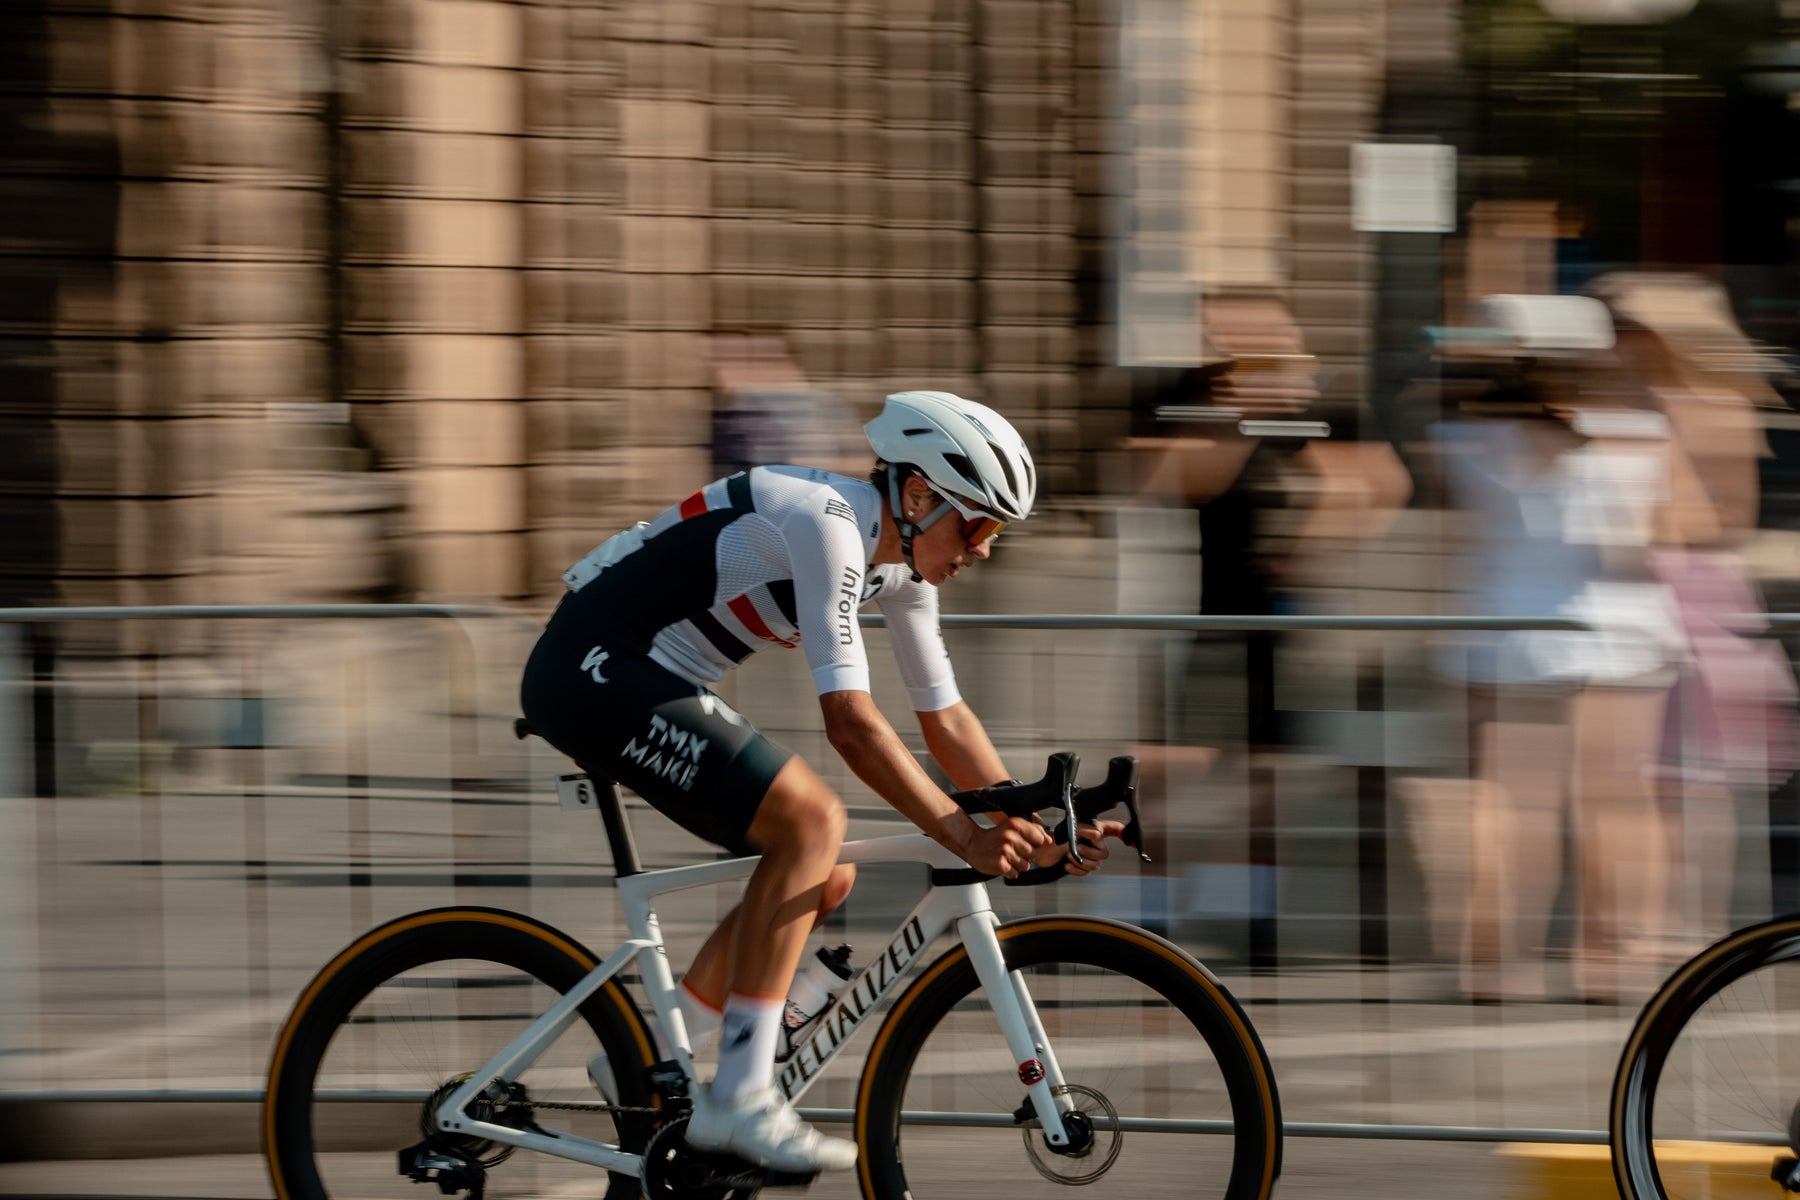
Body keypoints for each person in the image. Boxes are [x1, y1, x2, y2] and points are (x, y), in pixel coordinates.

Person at [518, 390, 1125, 1174]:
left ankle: (647, 1060)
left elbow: (945, 719)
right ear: (917, 496)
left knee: (823, 871)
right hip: (592, 669)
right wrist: (965, 837)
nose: (981, 550)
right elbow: (851, 724)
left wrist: (1038, 823)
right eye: (978, 526)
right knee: (810, 821)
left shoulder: (901, 570)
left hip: (651, 677)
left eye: (995, 534)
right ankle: (739, 1099)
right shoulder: (827, 523)